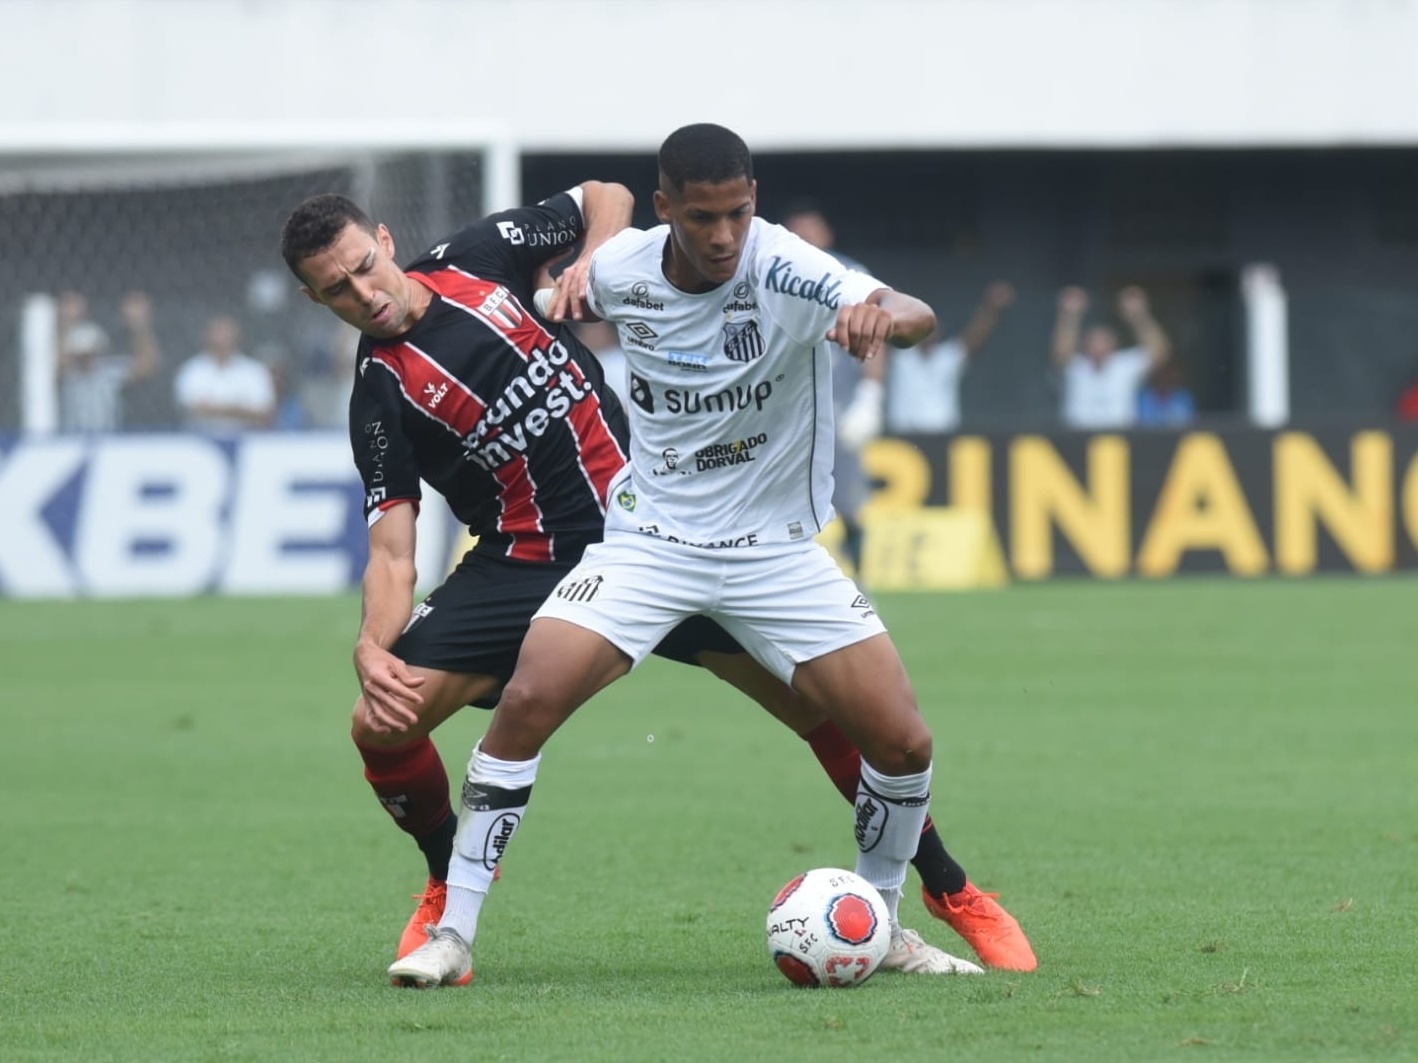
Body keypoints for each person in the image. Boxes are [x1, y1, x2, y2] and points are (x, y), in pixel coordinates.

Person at [281, 180, 1035, 989]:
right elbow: (394, 550)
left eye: (364, 267)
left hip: (652, 529)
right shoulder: (379, 394)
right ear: (315, 299)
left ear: (386, 241)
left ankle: (948, 885)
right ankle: (446, 886)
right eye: (337, 292)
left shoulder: (481, 255)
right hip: (521, 560)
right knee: (379, 724)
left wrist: (593, 256)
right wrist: (371, 644)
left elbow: (605, 192)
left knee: (827, 710)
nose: (364, 295)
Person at [781, 203, 882, 574]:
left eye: (811, 231)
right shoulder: (771, 273)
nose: (805, 239)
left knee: (850, 500)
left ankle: (860, 576)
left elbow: (879, 333)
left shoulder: (850, 275)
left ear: (826, 234)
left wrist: (871, 399)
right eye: (797, 232)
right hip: (783, 407)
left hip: (835, 405)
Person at [886, 282, 1015, 434]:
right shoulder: (900, 356)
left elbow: (974, 338)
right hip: (903, 440)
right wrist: (889, 298)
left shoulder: (947, 357)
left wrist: (992, 310)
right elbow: (885, 326)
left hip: (944, 439)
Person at [1051, 284, 1171, 429]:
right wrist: (1070, 316)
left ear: (1114, 343)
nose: (1098, 345)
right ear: (1085, 343)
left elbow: (1160, 352)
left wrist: (1139, 316)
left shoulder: (1125, 364)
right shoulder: (1077, 366)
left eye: (1103, 340)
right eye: (1093, 340)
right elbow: (1061, 353)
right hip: (1077, 441)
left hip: (1120, 440)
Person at [56, 291, 162, 433]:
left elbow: (148, 364)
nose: (87, 359)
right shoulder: (69, 374)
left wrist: (139, 326)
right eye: (81, 355)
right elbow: (57, 366)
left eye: (91, 354)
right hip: (72, 438)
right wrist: (67, 323)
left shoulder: (108, 371)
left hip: (107, 438)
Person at [173, 314, 276, 432]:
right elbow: (191, 410)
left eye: (227, 332)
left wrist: (214, 409)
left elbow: (264, 413)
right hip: (200, 441)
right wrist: (239, 410)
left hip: (248, 439)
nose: (223, 337)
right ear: (207, 335)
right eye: (218, 331)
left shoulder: (254, 371)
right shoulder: (192, 370)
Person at [573, 319, 630, 408]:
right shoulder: (577, 364)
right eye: (590, 330)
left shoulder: (620, 359)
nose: (595, 335)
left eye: (599, 330)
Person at [1136, 359, 1197, 427]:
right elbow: (1145, 423)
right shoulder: (1145, 397)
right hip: (1151, 436)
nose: (1167, 377)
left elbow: (1189, 423)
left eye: (1170, 373)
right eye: (1164, 372)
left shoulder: (1184, 398)